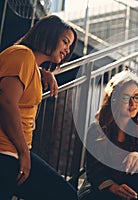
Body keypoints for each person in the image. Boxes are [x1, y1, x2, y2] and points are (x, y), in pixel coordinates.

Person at [0, 15, 78, 200]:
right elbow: (7, 102)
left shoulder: (29, 63)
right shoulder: (22, 55)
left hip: (15, 151)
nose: (67, 50)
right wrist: (24, 154)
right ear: (48, 35)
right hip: (6, 151)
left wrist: (43, 72)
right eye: (65, 42)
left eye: (70, 46)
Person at [78, 70, 138, 200]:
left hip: (131, 187)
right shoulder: (97, 129)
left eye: (136, 97)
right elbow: (94, 172)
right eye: (126, 98)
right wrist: (113, 187)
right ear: (114, 99)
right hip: (102, 187)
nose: (132, 103)